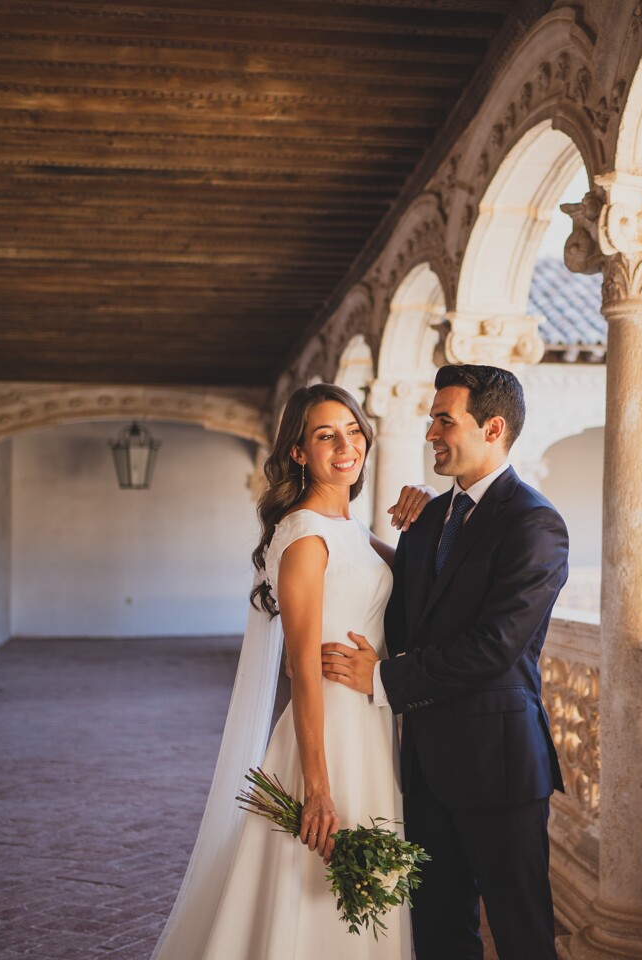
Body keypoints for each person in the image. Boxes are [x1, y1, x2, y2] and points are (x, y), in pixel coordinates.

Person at [150, 383, 433, 960]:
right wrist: (318, 790)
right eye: (326, 435)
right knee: (308, 891)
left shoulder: (351, 530)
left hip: (370, 724)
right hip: (326, 737)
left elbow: (422, 581)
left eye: (353, 431)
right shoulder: (305, 537)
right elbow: (302, 672)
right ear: (299, 453)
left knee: (358, 892)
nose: (345, 446)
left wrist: (427, 504)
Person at [323, 363, 570, 960]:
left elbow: (494, 646)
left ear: (493, 427)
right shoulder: (430, 517)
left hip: (500, 762)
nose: (431, 432)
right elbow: (404, 614)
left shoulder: (535, 524)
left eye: (444, 419)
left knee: (521, 932)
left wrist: (383, 677)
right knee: (437, 929)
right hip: (425, 763)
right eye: (432, 419)